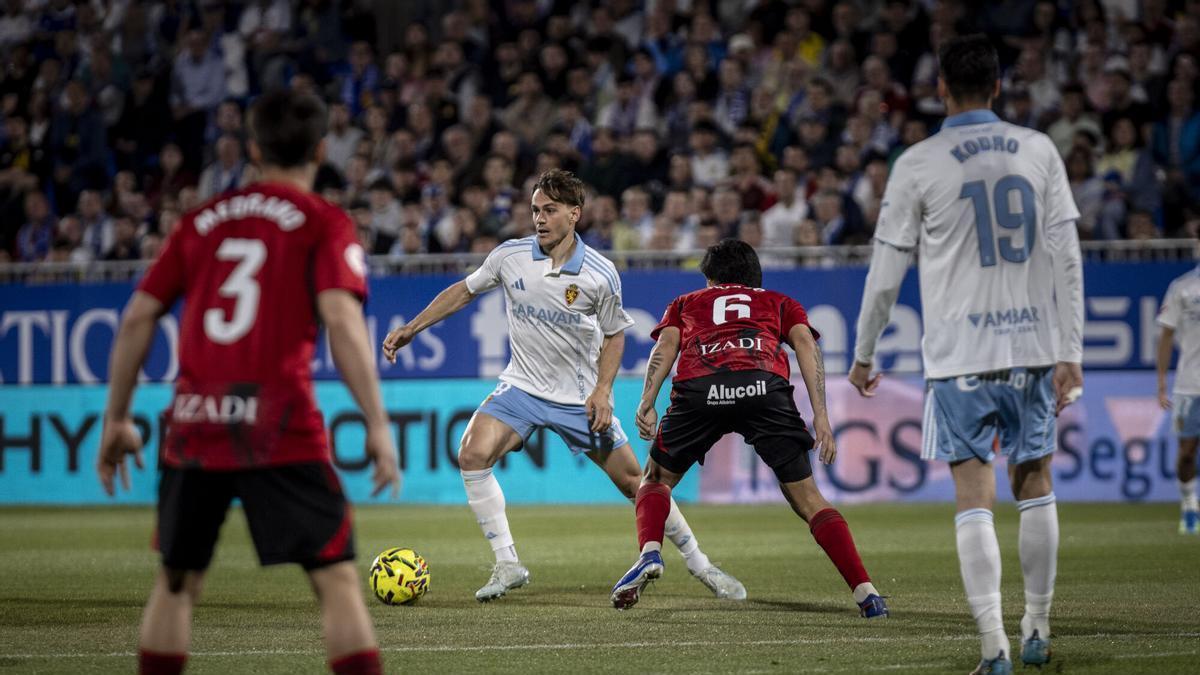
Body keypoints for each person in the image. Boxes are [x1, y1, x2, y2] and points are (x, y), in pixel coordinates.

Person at [96, 90, 399, 675]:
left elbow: (137, 317)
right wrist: (377, 424)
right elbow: (340, 318)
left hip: (195, 422)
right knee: (335, 578)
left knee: (178, 580)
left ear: (253, 149)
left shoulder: (201, 221)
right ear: (319, 149)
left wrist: (116, 418)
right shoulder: (324, 222)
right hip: (276, 422)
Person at [382, 169, 745, 603]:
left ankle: (701, 564)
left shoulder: (600, 273)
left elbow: (614, 335)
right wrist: (413, 327)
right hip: (522, 388)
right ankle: (508, 562)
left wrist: (603, 391)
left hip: (578, 397)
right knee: (472, 453)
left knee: (638, 482)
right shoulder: (510, 256)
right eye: (535, 210)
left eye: (550, 210)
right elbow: (464, 290)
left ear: (574, 214)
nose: (539, 218)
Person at [849, 36, 1084, 675]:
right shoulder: (1038, 149)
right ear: (1001, 86)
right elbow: (1067, 251)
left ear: (941, 90)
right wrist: (1072, 348)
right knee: (1035, 481)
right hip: (1033, 348)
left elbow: (886, 269)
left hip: (959, 357)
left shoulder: (919, 162)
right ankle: (1036, 628)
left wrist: (864, 352)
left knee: (972, 494)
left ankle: (994, 647)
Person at [608, 239, 887, 618]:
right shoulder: (780, 301)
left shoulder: (687, 302)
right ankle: (866, 593)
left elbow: (666, 347)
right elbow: (806, 344)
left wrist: (647, 399)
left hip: (701, 389)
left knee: (655, 479)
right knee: (809, 500)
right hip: (763, 387)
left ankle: (650, 553)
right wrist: (821, 415)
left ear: (711, 278)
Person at [1156, 252, 1200, 535]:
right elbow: (1167, 335)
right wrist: (1161, 381)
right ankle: (1189, 504)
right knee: (1186, 453)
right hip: (1189, 384)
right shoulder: (1182, 287)